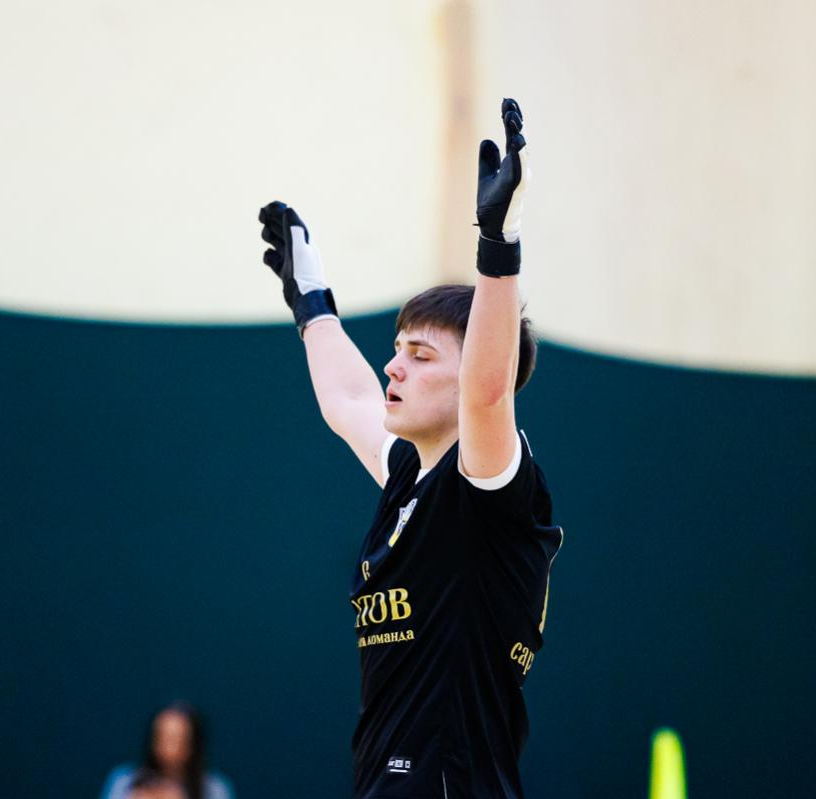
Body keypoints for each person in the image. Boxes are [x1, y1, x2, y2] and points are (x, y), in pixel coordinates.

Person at [257, 98, 563, 798]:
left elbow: (488, 392)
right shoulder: (409, 478)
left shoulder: (486, 486)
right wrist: (312, 303)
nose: (394, 367)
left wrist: (498, 244)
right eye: (397, 350)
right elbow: (348, 403)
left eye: (420, 355)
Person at [98, 702, 234, 799]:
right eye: (161, 736)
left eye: (176, 738)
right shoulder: (124, 781)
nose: (166, 746)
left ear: (193, 743)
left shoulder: (215, 789)